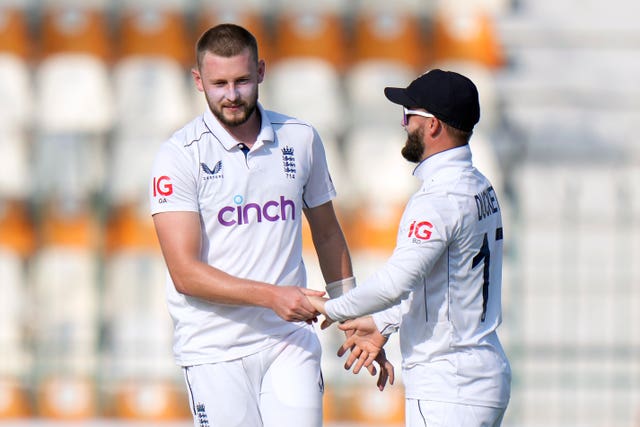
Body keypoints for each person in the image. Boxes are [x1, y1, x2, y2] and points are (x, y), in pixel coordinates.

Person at [149, 23, 384, 427]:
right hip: (213, 349)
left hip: (288, 340)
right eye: (219, 82)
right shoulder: (178, 155)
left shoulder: (300, 137)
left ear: (260, 70)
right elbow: (185, 274)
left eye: (241, 80)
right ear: (198, 81)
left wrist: (352, 315)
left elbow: (328, 234)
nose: (232, 94)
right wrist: (272, 296)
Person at [309, 69, 512, 426]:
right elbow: (439, 283)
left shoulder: (438, 199)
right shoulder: (479, 186)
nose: (404, 125)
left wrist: (332, 308)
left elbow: (395, 284)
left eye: (409, 116)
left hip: (448, 386)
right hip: (478, 374)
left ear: (433, 126)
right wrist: (383, 324)